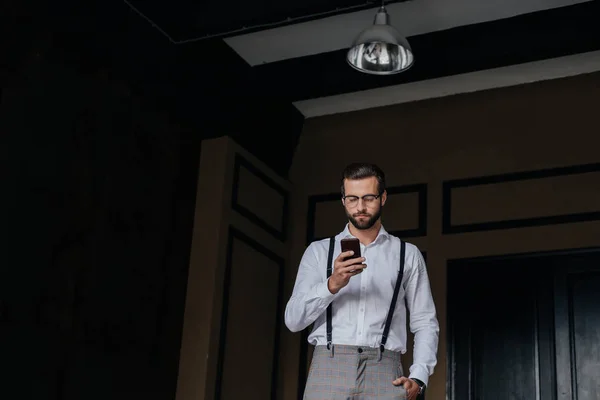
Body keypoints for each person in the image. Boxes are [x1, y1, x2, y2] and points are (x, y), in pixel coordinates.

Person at [285, 163, 439, 400]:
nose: (360, 207)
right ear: (343, 199)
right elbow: (293, 320)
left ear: (383, 197)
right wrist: (331, 285)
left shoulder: (407, 254)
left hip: (385, 370)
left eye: (368, 198)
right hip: (328, 367)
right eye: (352, 199)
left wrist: (419, 377)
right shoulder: (318, 252)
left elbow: (425, 321)